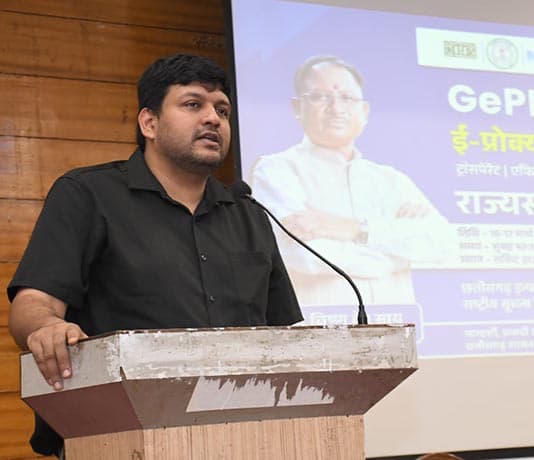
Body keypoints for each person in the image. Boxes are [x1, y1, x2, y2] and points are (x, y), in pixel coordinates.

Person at [7, 54, 302, 457]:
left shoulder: (249, 213)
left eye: (222, 110)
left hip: (247, 435)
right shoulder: (88, 195)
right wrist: (46, 327)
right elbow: (33, 303)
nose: (213, 119)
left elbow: (286, 335)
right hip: (116, 435)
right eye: (193, 104)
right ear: (149, 123)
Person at [251, 55, 454, 306]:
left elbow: (443, 242)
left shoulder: (391, 180)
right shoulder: (276, 170)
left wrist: (355, 229)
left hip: (397, 324)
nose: (336, 108)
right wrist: (396, 254)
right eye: (320, 97)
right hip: (324, 324)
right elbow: (300, 253)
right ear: (297, 108)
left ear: (364, 111)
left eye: (347, 98)